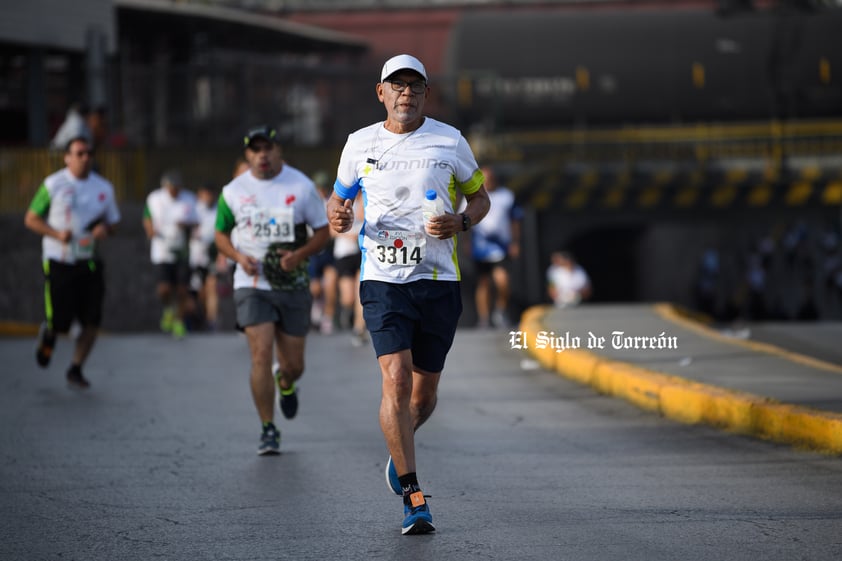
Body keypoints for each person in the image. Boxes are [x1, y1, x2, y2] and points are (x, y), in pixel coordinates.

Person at [327, 54, 490, 535]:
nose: (406, 94)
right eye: (396, 86)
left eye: (415, 87)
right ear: (381, 92)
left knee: (423, 396)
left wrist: (460, 221)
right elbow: (339, 199)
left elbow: (480, 198)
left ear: (425, 93)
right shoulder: (359, 143)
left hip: (438, 281)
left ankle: (400, 446)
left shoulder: (449, 139)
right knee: (395, 382)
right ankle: (414, 496)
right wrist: (337, 215)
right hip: (382, 278)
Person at [214, 125, 330, 455]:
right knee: (261, 354)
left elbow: (322, 233)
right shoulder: (233, 191)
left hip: (292, 285)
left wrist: (300, 256)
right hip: (252, 285)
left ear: (279, 151)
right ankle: (268, 427)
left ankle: (286, 382)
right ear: (247, 154)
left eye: (268, 148)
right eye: (255, 149)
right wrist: (238, 257)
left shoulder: (301, 185)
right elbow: (220, 235)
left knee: (294, 365)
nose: (262, 155)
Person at [24, 136, 121, 388]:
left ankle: (76, 368)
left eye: (89, 153)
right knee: (61, 319)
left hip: (88, 260)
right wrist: (57, 234)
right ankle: (50, 332)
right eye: (79, 153)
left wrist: (105, 230)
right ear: (67, 157)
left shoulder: (104, 188)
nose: (85, 157)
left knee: (93, 319)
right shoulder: (53, 184)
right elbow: (31, 218)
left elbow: (114, 222)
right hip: (59, 259)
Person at [142, 170, 199, 338]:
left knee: (182, 289)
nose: (175, 191)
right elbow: (147, 217)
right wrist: (150, 230)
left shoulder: (188, 198)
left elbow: (197, 220)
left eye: (177, 187)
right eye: (171, 187)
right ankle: (168, 308)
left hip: (182, 250)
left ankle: (179, 320)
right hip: (162, 249)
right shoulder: (155, 198)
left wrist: (186, 224)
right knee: (164, 288)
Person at [469, 165, 523, 328]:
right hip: (480, 246)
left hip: (501, 246)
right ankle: (484, 318)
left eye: (490, 179)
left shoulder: (506, 196)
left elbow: (515, 220)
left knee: (502, 279)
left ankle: (500, 310)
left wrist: (515, 242)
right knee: (483, 283)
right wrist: (466, 244)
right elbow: (463, 220)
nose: (488, 182)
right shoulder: (471, 196)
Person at [333, 191, 367, 346]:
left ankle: (358, 329)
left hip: (362, 252)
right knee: (348, 297)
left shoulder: (369, 197)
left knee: (359, 291)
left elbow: (364, 218)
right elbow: (330, 230)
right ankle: (346, 313)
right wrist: (349, 237)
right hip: (345, 253)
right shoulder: (340, 199)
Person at [307, 170, 338, 334]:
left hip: (328, 251)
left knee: (331, 283)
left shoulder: (331, 202)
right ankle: (317, 304)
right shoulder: (308, 203)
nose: (322, 191)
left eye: (324, 188)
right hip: (312, 251)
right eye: (319, 188)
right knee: (315, 288)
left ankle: (328, 317)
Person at [188, 183, 220, 331]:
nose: (208, 197)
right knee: (199, 290)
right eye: (205, 194)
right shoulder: (193, 209)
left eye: (210, 194)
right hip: (196, 256)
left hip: (213, 255)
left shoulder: (219, 210)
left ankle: (212, 321)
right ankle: (198, 317)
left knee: (212, 287)